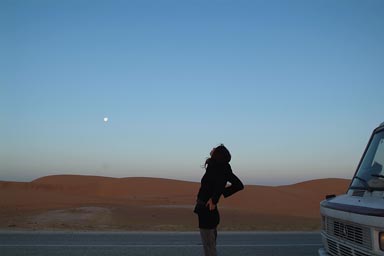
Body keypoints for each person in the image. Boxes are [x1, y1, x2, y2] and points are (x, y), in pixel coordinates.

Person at [194, 144, 244, 256]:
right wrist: (222, 193)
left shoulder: (218, 167)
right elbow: (238, 185)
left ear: (218, 154)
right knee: (210, 245)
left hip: (207, 210)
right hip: (207, 210)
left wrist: (214, 199)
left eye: (214, 148)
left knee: (209, 247)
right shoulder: (222, 167)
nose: (212, 149)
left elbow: (221, 183)